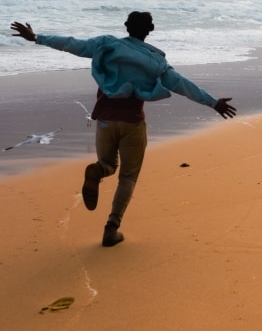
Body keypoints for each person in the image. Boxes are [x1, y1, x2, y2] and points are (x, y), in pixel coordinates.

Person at [10, 13, 236, 246]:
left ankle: (97, 171)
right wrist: (213, 102)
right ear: (150, 30)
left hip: (105, 120)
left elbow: (71, 44)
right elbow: (183, 85)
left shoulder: (106, 45)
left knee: (107, 165)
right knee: (128, 176)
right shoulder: (156, 62)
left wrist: (36, 37)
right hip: (132, 123)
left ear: (126, 26)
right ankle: (111, 227)